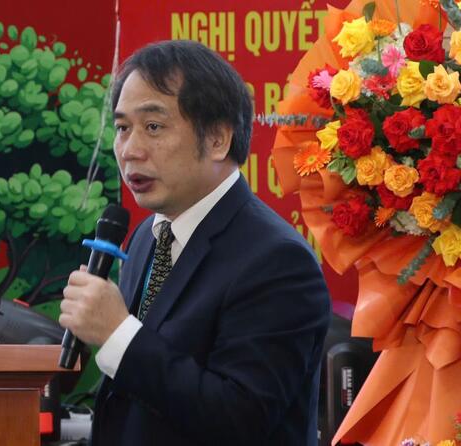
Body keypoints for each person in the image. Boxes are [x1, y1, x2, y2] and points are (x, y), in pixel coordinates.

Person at [59, 40, 331, 446]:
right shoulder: (146, 238)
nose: (130, 150)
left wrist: (118, 334)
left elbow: (241, 418)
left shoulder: (278, 260)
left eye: (153, 127)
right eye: (121, 128)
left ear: (219, 138)